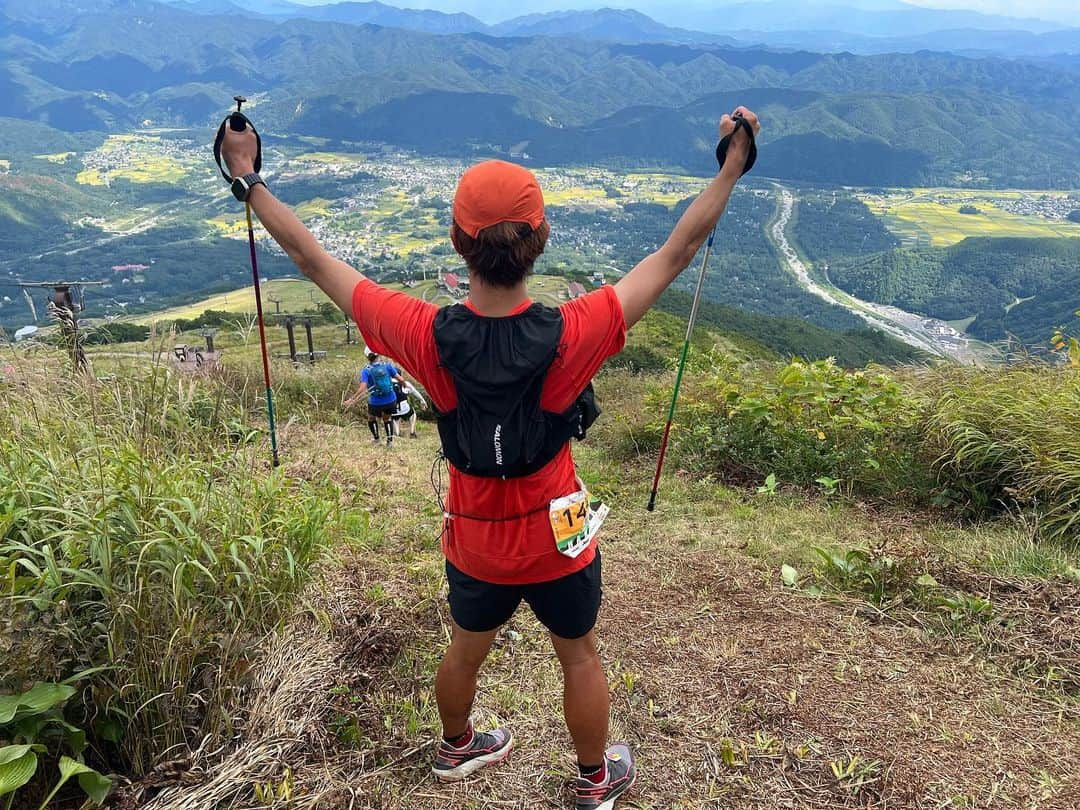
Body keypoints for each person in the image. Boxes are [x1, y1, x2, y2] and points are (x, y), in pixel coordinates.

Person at [218, 105, 759, 809]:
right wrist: (731, 165)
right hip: (558, 538)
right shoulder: (575, 331)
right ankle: (595, 780)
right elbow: (676, 251)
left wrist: (248, 176)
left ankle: (457, 747)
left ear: (456, 240)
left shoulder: (420, 333)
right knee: (580, 654)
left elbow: (312, 260)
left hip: (474, 540)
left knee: (464, 649)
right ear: (541, 238)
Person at [344, 348, 406, 445]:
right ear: (379, 355)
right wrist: (404, 386)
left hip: (375, 402)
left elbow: (363, 388)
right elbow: (401, 379)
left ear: (367, 357)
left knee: (371, 418)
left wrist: (352, 399)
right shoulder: (387, 366)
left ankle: (376, 439)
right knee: (387, 419)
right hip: (391, 399)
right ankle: (390, 442)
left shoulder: (366, 370)